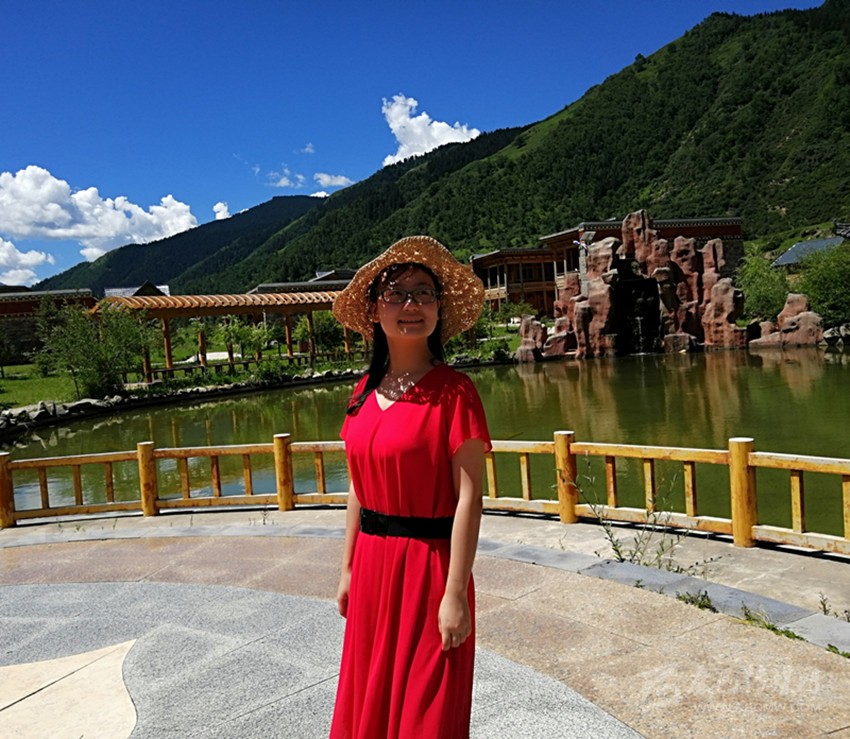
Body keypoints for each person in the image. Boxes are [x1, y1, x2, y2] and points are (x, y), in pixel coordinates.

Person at [329, 235, 491, 739]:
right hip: (373, 567)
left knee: (427, 710)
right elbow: (359, 488)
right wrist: (347, 569)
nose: (411, 305)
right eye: (396, 294)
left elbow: (469, 499)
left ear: (439, 308)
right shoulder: (362, 392)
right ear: (375, 310)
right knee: (370, 697)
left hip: (430, 568)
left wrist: (455, 593)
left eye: (423, 293)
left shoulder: (455, 392)